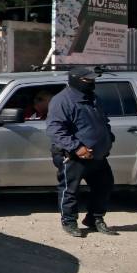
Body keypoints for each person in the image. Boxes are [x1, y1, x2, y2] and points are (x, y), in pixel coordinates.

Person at [46, 67, 116, 238]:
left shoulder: (93, 98)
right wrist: (77, 147)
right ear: (75, 80)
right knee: (70, 190)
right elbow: (55, 129)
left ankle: (95, 218)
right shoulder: (62, 100)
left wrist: (108, 137)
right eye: (87, 80)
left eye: (93, 79)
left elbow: (103, 121)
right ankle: (69, 221)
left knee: (104, 185)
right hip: (73, 156)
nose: (92, 82)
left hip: (97, 155)